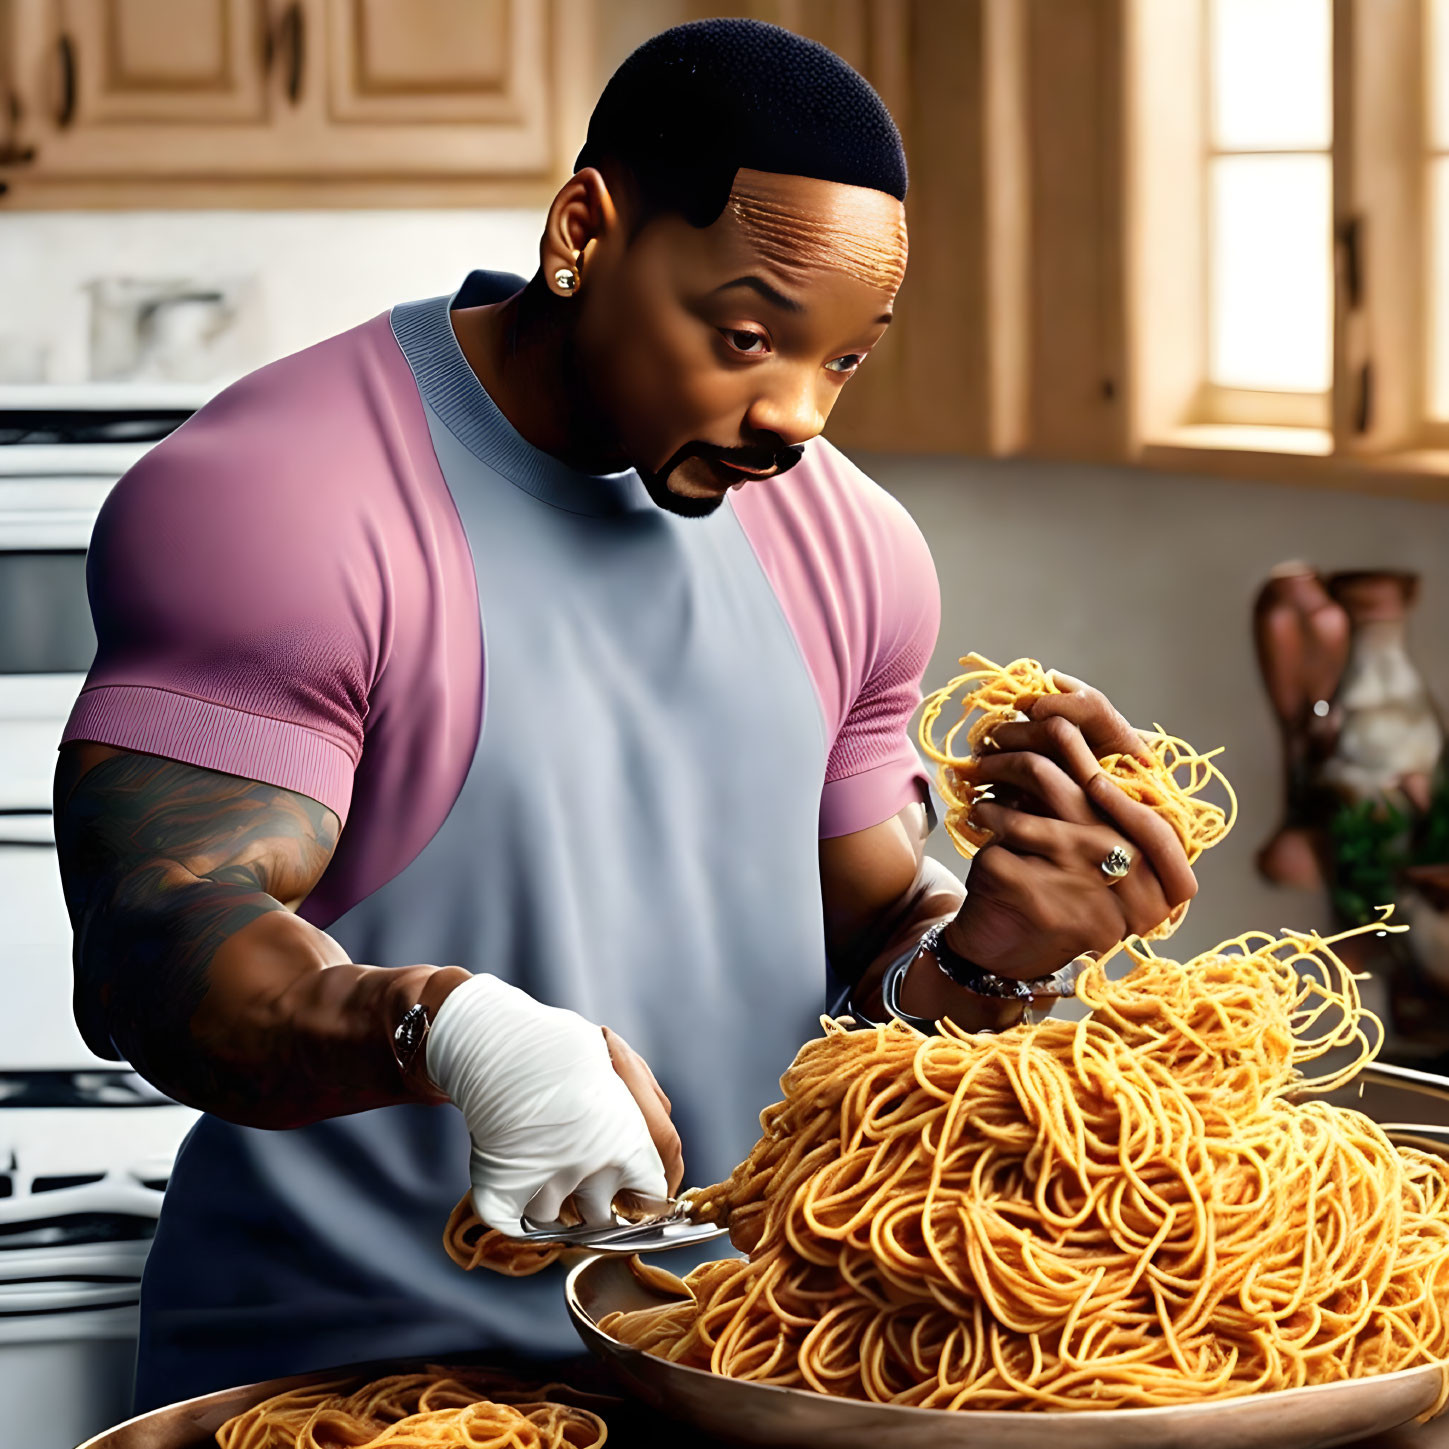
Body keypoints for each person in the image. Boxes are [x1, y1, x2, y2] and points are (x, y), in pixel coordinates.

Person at [52, 19, 1196, 1410]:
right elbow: (154, 938)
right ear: (584, 231)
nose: (794, 417)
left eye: (840, 361)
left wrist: (996, 951)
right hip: (345, 1382)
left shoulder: (859, 549)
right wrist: (453, 1031)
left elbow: (864, 963)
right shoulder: (275, 497)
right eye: (745, 334)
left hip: (739, 1370)